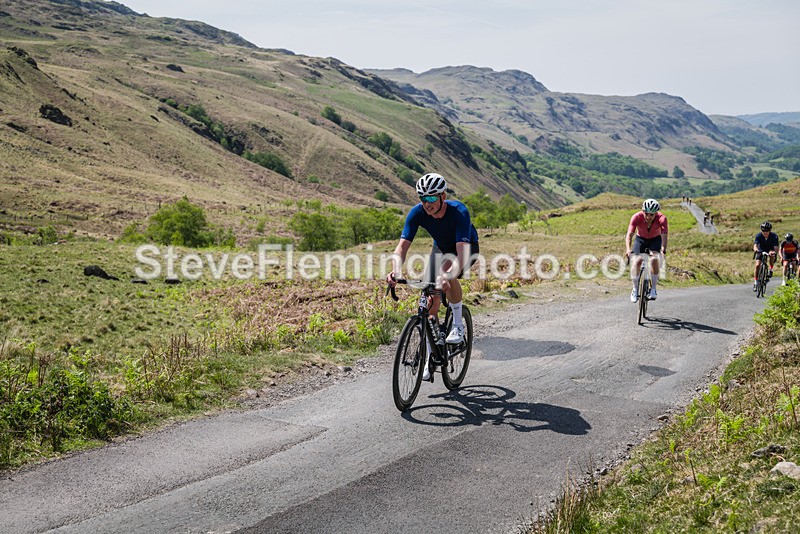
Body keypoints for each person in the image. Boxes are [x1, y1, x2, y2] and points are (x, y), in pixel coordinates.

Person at [387, 172, 479, 380]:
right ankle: (431, 355)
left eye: (431, 198)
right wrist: (395, 270)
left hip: (466, 248)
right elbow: (402, 247)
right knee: (429, 302)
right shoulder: (417, 213)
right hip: (441, 248)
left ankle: (458, 324)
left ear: (442, 196)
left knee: (447, 273)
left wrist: (449, 275)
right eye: (423, 198)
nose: (426, 203)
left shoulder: (459, 212)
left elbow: (461, 254)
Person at [625, 198, 668, 302]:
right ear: (643, 211)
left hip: (655, 239)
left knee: (654, 260)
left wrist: (663, 250)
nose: (649, 217)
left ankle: (653, 289)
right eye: (646, 214)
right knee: (637, 261)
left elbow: (664, 236)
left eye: (651, 215)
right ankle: (635, 289)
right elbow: (629, 235)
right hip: (641, 239)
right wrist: (628, 249)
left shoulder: (662, 219)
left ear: (656, 213)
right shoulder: (636, 217)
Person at [753, 221, 779, 291]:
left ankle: (771, 269)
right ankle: (756, 281)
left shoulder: (774, 236)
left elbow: (776, 247)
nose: (765, 232)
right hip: (761, 249)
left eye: (766, 231)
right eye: (763, 231)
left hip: (770, 249)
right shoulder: (758, 235)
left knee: (772, 256)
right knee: (757, 265)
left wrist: (774, 252)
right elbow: (755, 245)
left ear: (770, 231)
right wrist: (756, 250)